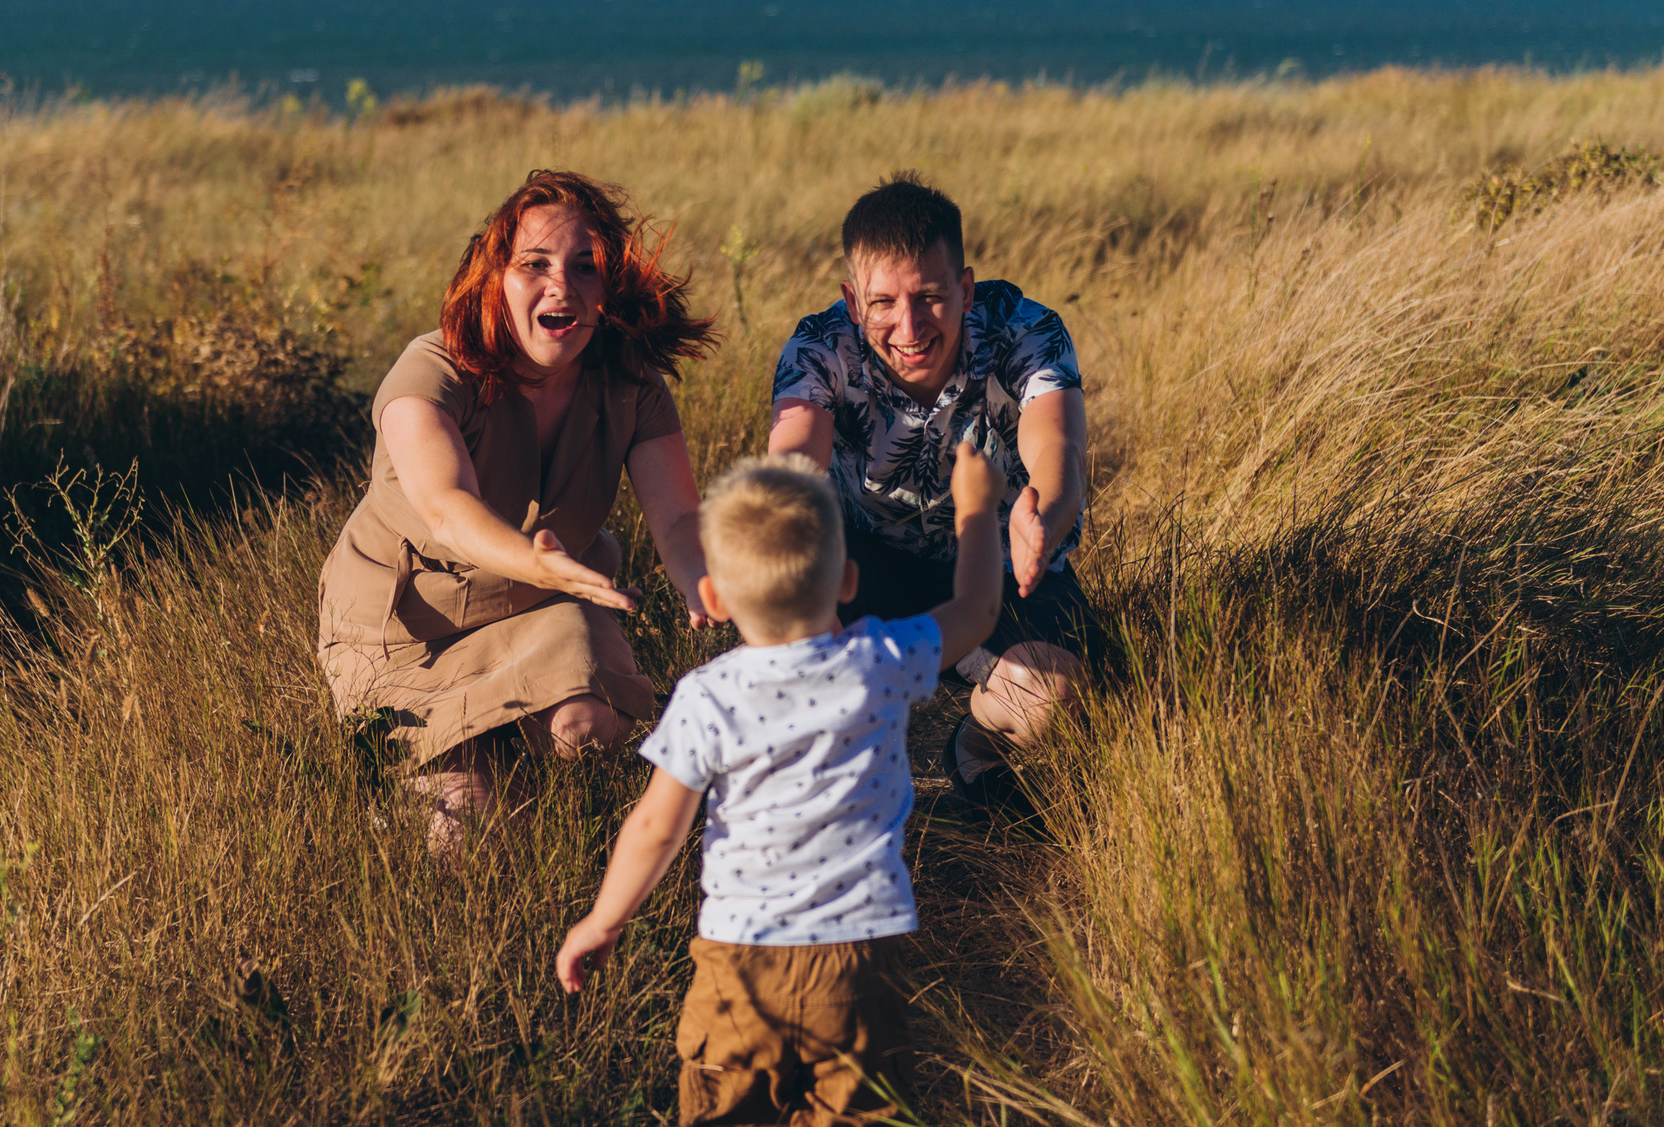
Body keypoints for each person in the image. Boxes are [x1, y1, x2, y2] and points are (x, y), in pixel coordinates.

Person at [555, 444, 1006, 1126]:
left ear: (713, 595)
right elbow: (975, 610)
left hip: (740, 962)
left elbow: (656, 826)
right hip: (859, 958)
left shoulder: (708, 696)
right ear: (848, 579)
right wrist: (976, 508)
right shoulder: (882, 660)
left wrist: (603, 919)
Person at [318, 169, 717, 849]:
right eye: (534, 264)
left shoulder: (630, 385)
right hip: (408, 632)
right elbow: (447, 507)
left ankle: (525, 759)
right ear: (494, 278)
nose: (561, 284)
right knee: (463, 831)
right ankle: (452, 773)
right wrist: (540, 562)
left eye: (585, 267)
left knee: (586, 725)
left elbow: (678, 522)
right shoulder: (433, 372)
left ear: (608, 288)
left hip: (538, 611)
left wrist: (704, 582)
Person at [766, 173, 1088, 809]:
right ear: (853, 302)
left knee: (1055, 703)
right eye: (882, 303)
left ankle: (972, 746)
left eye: (931, 297)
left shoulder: (1027, 330)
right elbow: (795, 454)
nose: (908, 326)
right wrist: (792, 564)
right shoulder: (818, 346)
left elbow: (1057, 445)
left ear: (966, 289)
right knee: (785, 652)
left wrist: (1044, 514)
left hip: (1003, 562)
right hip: (867, 564)